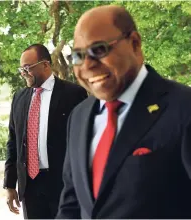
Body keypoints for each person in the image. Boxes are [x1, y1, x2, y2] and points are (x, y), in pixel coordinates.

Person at [57, 5, 191, 219]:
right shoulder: (79, 117)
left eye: (99, 50)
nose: (88, 65)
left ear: (135, 44)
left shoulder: (184, 108)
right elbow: (71, 205)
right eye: (78, 55)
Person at [3, 43, 87, 219]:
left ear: (45, 65)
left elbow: (82, 142)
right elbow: (13, 142)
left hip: (63, 184)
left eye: (27, 67)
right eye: (21, 69)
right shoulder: (19, 98)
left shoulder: (73, 94)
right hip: (30, 185)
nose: (23, 73)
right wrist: (10, 185)